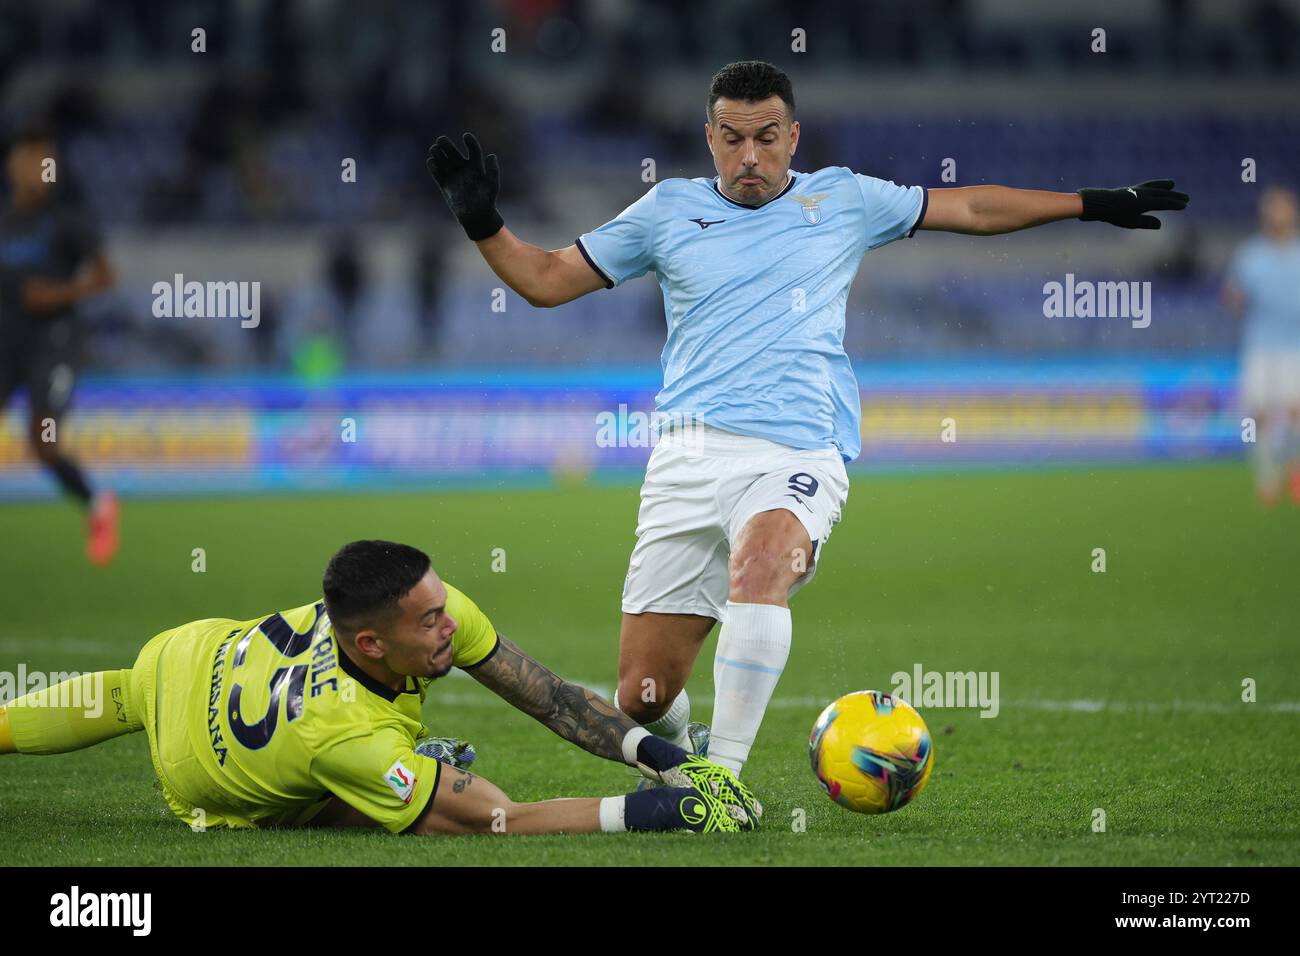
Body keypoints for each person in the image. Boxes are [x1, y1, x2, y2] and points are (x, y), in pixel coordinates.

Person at [425, 60, 1189, 777]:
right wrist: (484, 220)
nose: (749, 155)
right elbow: (549, 280)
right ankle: (690, 746)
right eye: (733, 138)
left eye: (766, 137)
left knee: (761, 569)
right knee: (642, 698)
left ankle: (721, 781)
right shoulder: (668, 210)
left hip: (798, 448)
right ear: (710, 140)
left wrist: (1092, 204)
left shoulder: (844, 199)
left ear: (792, 137)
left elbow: (972, 207)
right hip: (687, 458)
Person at [0, 540, 760, 836]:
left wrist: (663, 756)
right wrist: (664, 809)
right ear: (370, 641)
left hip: (185, 652)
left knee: (134, 692)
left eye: (442, 607)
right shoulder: (346, 733)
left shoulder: (422, 614)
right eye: (431, 623)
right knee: (360, 802)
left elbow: (549, 696)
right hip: (197, 778)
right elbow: (497, 818)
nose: (449, 630)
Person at [0, 125, 118, 563]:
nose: (42, 170)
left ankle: (98, 504)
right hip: (8, 337)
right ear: (15, 165)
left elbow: (107, 277)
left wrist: (56, 294)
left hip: (55, 339)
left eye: (48, 162)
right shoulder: (7, 221)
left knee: (42, 439)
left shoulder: (67, 221)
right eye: (34, 160)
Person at [1222, 185, 1300, 504]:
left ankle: (1295, 473)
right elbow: (1232, 297)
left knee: (1296, 411)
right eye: (1273, 209)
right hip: (1261, 345)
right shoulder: (1251, 254)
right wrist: (1237, 300)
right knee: (1259, 414)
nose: (1278, 215)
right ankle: (1268, 477)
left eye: (1283, 208)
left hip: (1296, 345)